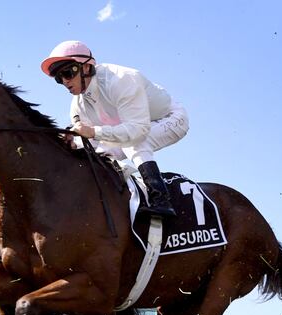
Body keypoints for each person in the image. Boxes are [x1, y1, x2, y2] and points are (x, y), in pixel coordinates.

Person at [41, 41, 189, 217]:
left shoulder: (122, 79)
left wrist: (93, 132)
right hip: (133, 127)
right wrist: (73, 141)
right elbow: (93, 142)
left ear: (87, 67)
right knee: (97, 155)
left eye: (67, 72)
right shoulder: (77, 105)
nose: (65, 81)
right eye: (59, 78)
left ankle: (161, 200)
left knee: (132, 143)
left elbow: (137, 131)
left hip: (170, 118)